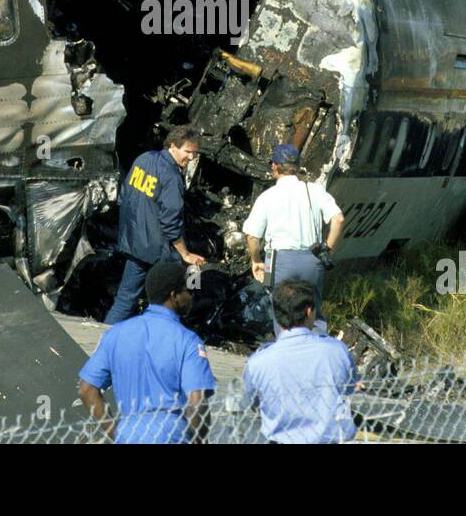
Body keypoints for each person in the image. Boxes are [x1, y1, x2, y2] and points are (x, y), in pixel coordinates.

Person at [78, 261, 216, 444]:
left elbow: (87, 389)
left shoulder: (115, 334)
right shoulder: (188, 341)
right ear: (174, 296)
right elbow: (197, 401)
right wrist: (199, 439)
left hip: (129, 432)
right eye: (187, 291)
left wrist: (115, 433)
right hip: (172, 434)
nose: (190, 297)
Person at [104, 126, 206, 325]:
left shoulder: (143, 159)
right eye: (187, 152)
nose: (191, 158)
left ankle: (104, 339)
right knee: (170, 302)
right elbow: (170, 222)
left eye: (194, 153)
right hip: (157, 251)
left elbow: (124, 195)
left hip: (133, 242)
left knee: (125, 299)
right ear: (172, 146)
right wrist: (185, 254)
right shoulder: (172, 177)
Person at [242, 143, 345, 334]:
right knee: (313, 311)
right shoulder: (314, 190)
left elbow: (252, 235)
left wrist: (256, 260)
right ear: (297, 166)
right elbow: (338, 218)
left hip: (280, 261)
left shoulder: (268, 196)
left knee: (282, 312)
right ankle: (316, 353)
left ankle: (286, 351)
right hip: (311, 260)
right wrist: (328, 248)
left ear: (274, 166)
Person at [240, 279, 359, 444]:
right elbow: (350, 387)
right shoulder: (337, 351)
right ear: (309, 311)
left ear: (276, 313)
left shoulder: (258, 362)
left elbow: (251, 401)